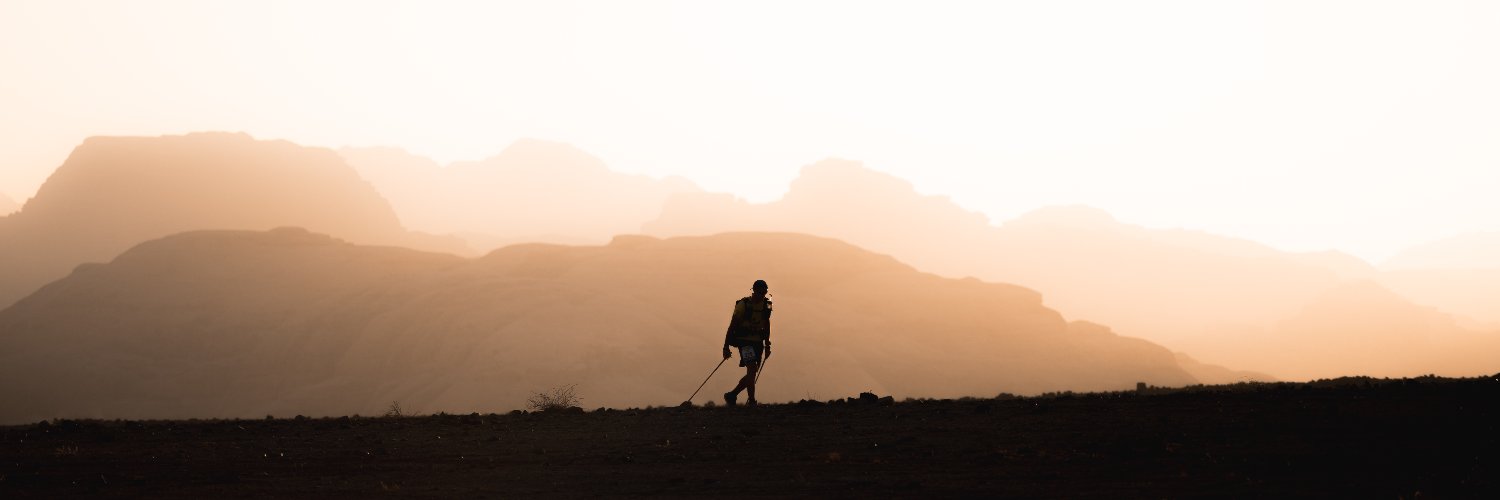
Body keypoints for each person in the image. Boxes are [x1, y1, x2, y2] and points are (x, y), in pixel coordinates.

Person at [723, 279, 772, 406]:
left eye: (764, 292)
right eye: (759, 292)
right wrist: (725, 347)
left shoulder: (766, 306)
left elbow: (767, 325)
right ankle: (752, 401)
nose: (761, 295)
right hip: (744, 342)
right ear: (754, 291)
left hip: (757, 342)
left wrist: (767, 345)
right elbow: (732, 326)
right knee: (751, 369)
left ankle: (732, 395)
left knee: (752, 372)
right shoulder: (742, 306)